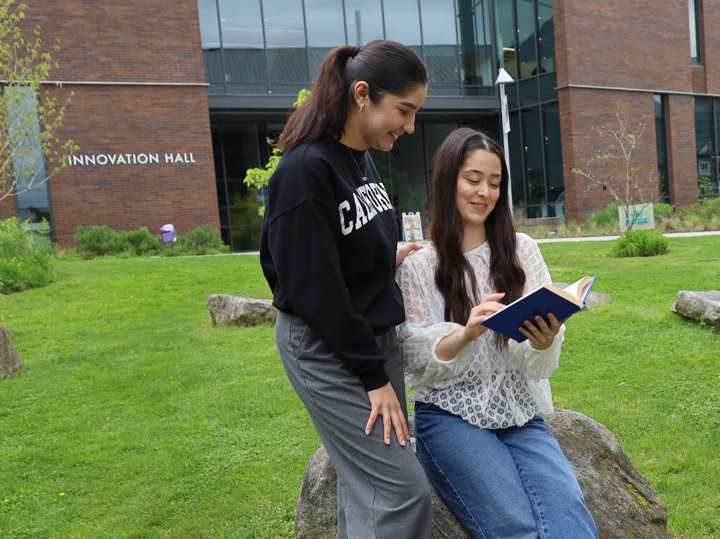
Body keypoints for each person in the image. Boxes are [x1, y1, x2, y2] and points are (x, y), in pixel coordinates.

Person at [260, 40, 432, 539]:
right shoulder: (304, 169)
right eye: (404, 111)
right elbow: (313, 288)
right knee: (400, 492)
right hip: (329, 347)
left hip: (373, 337)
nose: (410, 126)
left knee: (370, 488)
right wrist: (373, 378)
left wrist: (388, 257)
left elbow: (347, 242)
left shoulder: (360, 157)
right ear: (362, 94)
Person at [396, 127, 598, 539]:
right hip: (449, 416)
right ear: (448, 179)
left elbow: (538, 363)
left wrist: (545, 339)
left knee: (570, 519)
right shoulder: (419, 265)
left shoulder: (523, 249)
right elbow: (413, 356)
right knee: (513, 525)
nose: (484, 192)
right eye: (473, 179)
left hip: (519, 411)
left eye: (494, 182)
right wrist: (466, 333)